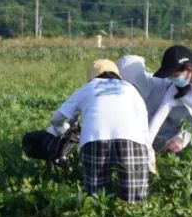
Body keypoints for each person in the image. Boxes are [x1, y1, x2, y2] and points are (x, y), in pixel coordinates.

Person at [50, 59, 150, 201]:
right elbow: (143, 121)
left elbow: (56, 118)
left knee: (97, 196)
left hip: (94, 139)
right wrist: (148, 152)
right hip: (131, 138)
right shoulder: (129, 88)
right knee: (134, 197)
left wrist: (61, 130)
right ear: (117, 74)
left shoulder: (88, 88)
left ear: (91, 77)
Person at [116, 54, 192, 152]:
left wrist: (181, 139)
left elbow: (189, 125)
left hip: (173, 149)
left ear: (139, 81)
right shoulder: (119, 95)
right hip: (140, 147)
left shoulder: (166, 88)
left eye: (132, 86)